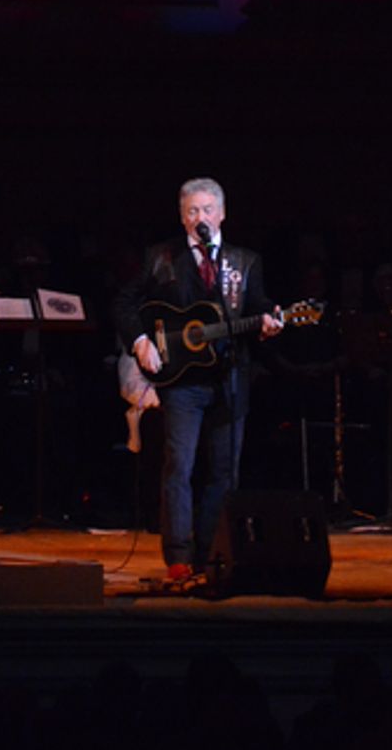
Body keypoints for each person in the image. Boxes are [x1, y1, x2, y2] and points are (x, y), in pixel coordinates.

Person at [113, 177, 282, 581]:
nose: (200, 217)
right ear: (181, 215)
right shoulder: (161, 256)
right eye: (192, 211)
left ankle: (212, 550)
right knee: (180, 464)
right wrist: (140, 342)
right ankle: (178, 555)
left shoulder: (244, 262)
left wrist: (269, 321)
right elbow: (124, 302)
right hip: (182, 379)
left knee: (224, 470)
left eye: (207, 210)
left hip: (230, 376)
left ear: (222, 214)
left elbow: (256, 306)